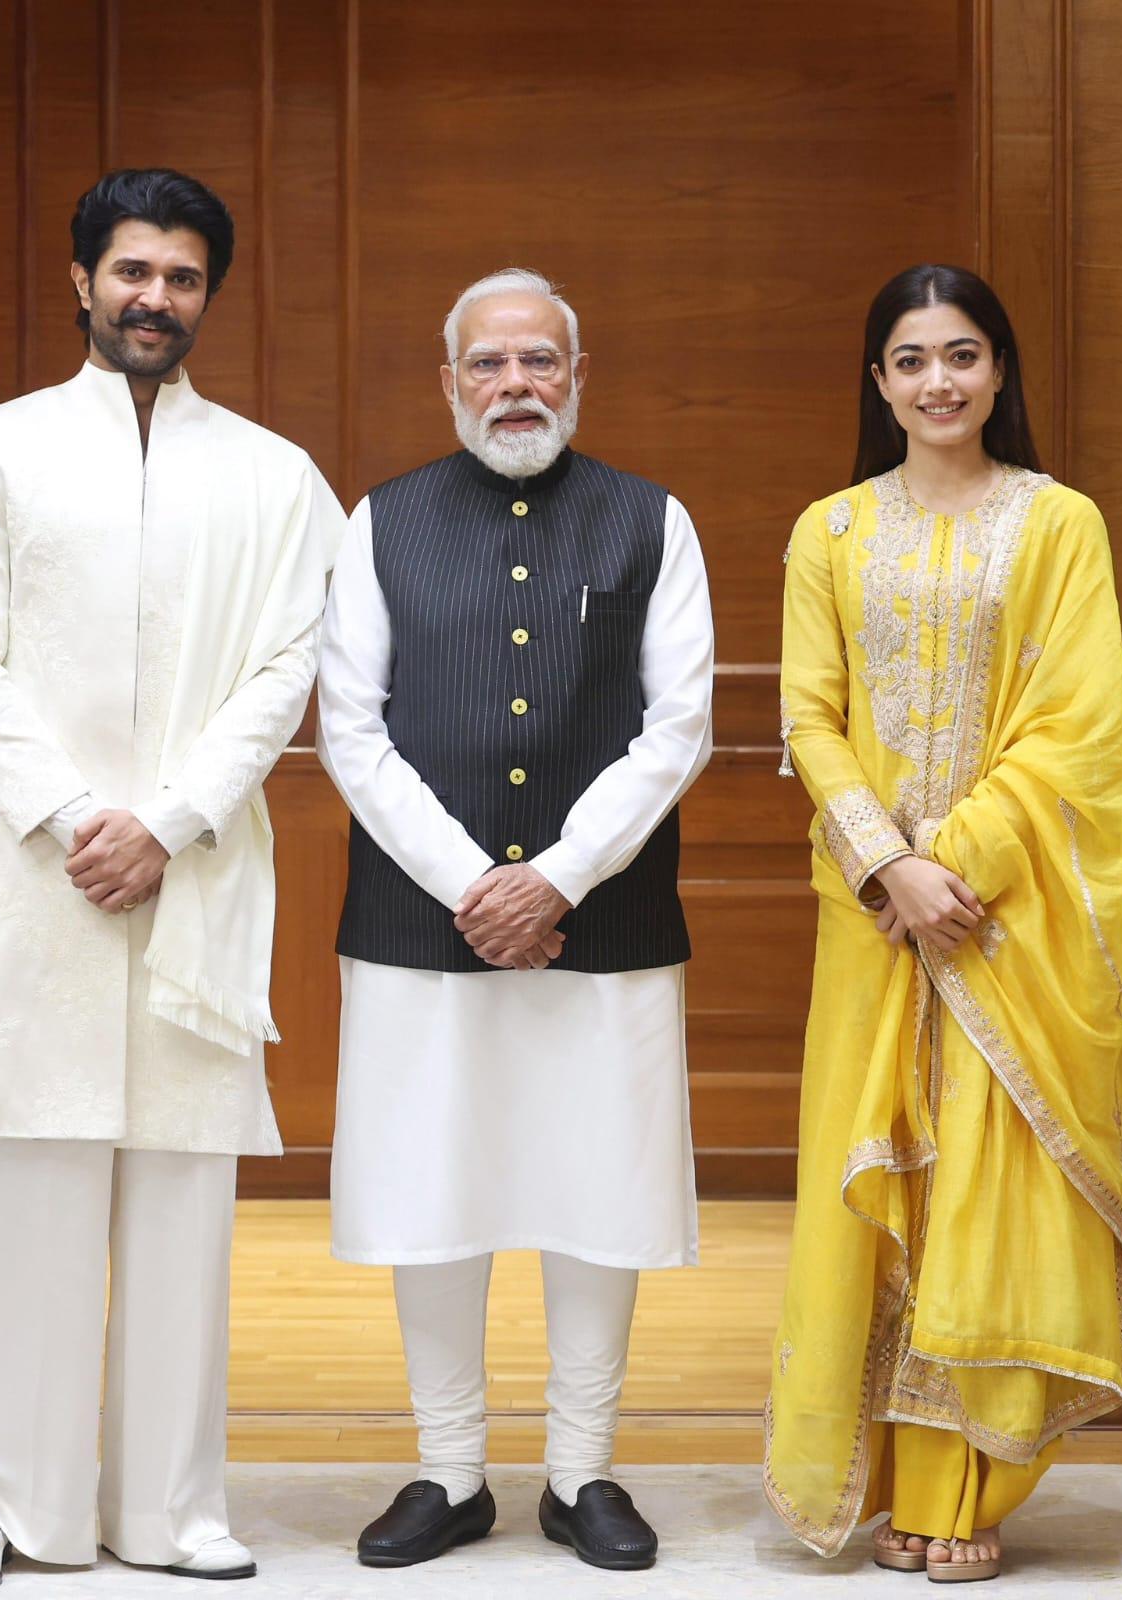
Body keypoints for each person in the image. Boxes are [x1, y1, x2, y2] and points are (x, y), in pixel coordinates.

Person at [0, 168, 345, 1594]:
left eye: (182, 277)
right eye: (133, 271)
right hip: (36, 872)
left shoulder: (275, 476)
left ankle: (167, 1507)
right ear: (83, 282)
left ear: (210, 295)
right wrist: (70, 814)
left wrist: (169, 820)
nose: (155, 298)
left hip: (192, 873)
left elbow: (287, 669)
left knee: (179, 1199)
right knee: (23, 1189)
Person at [766, 263, 1122, 1582]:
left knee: (994, 1188)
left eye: (962, 355)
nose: (939, 381)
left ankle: (967, 1491)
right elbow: (808, 716)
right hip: (876, 920)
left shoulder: (1058, 524)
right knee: (889, 1182)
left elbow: (1078, 731)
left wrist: (957, 865)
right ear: (878, 383)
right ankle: (887, 1486)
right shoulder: (829, 532)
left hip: (1004, 916)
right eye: (912, 360)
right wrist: (890, 867)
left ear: (998, 371)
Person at [317, 267, 714, 1572]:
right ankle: (449, 1473)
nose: (515, 385)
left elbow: (679, 727)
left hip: (605, 922)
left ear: (578, 376)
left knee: (600, 1188)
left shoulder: (653, 520)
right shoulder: (380, 521)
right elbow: (351, 729)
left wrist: (559, 877)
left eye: (540, 360)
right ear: (449, 382)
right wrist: (473, 888)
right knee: (434, 1187)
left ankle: (581, 1472)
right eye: (487, 364)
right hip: (420, 923)